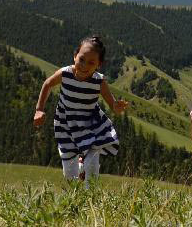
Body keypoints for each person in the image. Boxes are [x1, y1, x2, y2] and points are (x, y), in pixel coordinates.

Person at [33, 35, 129, 186]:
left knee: (92, 161)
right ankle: (77, 180)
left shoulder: (99, 81)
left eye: (91, 63)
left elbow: (112, 104)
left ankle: (91, 193)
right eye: (82, 59)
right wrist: (39, 109)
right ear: (75, 56)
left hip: (90, 122)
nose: (84, 65)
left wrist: (117, 107)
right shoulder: (65, 74)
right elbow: (47, 84)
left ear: (99, 65)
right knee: (69, 174)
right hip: (66, 124)